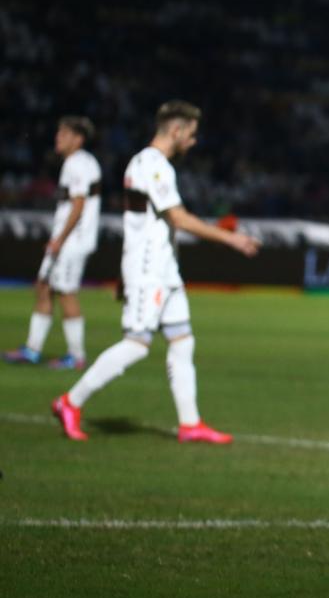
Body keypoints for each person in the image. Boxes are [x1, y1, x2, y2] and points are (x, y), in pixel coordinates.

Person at [51, 101, 259, 443]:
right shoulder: (154, 165)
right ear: (176, 131)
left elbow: (141, 222)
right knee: (137, 344)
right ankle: (70, 402)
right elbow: (178, 217)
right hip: (150, 268)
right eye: (191, 135)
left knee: (182, 340)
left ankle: (190, 423)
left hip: (163, 268)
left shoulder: (143, 163)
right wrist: (230, 239)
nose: (193, 142)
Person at [5, 116, 102, 370]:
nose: (57, 138)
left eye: (63, 134)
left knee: (66, 292)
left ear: (77, 139)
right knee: (44, 286)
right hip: (71, 238)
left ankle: (76, 356)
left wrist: (60, 238)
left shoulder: (75, 164)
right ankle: (32, 349)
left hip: (73, 240)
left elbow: (78, 204)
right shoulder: (87, 162)